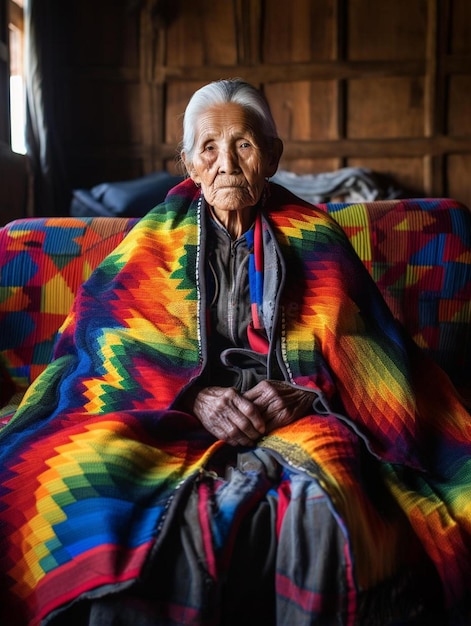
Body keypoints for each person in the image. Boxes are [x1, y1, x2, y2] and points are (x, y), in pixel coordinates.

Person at [0, 79, 470, 626]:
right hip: (168, 407)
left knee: (329, 505)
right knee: (87, 496)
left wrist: (307, 391)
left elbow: (366, 346)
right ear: (189, 164)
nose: (226, 162)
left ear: (272, 156)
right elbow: (103, 347)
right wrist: (196, 398)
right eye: (209, 148)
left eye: (244, 145)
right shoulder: (152, 243)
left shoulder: (315, 235)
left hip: (301, 409)